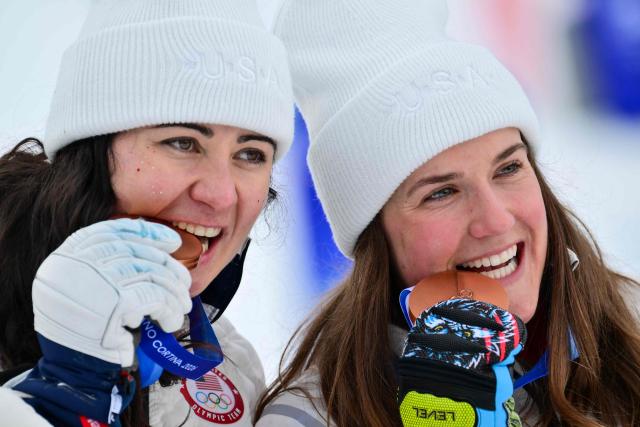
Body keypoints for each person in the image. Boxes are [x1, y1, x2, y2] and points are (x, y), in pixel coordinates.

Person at [255, 1, 640, 426]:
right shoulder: (312, 416)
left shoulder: (631, 331)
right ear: (375, 232)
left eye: (508, 167)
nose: (495, 221)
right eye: (441, 193)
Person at [0, 0, 294, 425]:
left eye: (250, 154)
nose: (221, 196)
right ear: (91, 155)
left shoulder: (231, 371)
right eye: (182, 142)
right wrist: (65, 394)